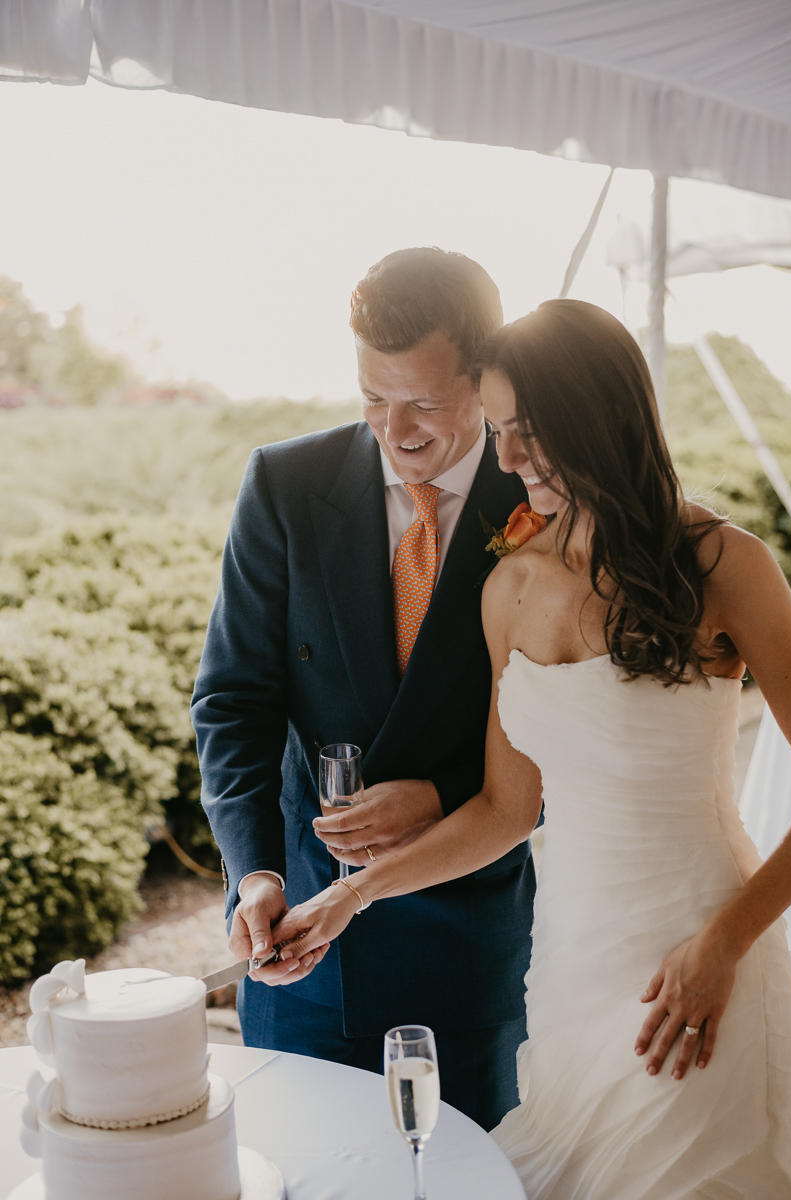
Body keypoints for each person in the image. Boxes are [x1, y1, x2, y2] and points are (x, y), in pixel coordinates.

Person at [272, 300, 791, 1198]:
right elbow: (506, 811)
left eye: (529, 431)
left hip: (699, 961)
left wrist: (722, 945)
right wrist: (349, 898)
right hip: (568, 970)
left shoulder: (726, 565)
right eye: (502, 430)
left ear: (602, 414)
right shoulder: (509, 584)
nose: (509, 459)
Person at [191, 247, 534, 1132]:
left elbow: (588, 734)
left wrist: (443, 797)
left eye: (424, 401)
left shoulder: (541, 500)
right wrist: (254, 871)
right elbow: (233, 698)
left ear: (486, 376)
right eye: (373, 398)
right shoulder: (285, 484)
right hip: (301, 944)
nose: (396, 428)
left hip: (469, 950)